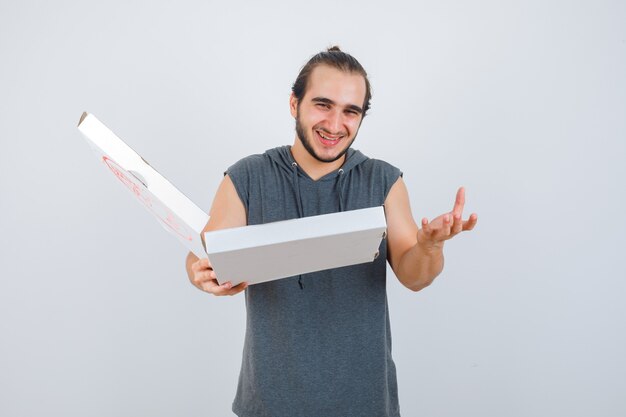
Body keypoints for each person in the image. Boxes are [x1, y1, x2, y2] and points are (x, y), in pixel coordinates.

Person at [185, 46, 477, 417]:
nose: (335, 125)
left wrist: (430, 246)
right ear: (294, 104)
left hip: (365, 404)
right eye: (323, 105)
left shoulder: (383, 180)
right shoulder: (247, 177)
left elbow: (414, 275)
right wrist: (198, 271)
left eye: (350, 111)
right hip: (270, 404)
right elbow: (205, 252)